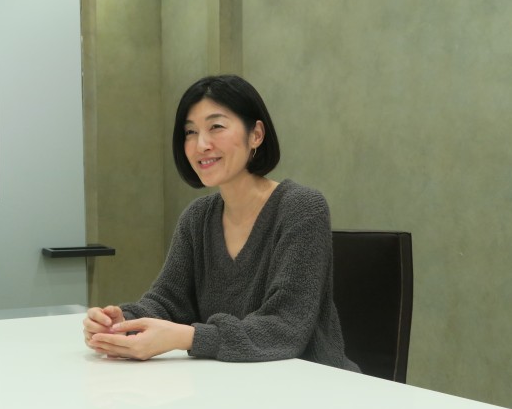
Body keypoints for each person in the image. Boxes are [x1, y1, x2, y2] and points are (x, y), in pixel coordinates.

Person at [83, 74, 359, 371]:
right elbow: (168, 301)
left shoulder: (302, 208)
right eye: (190, 132)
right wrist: (122, 322)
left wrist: (187, 337)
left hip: (311, 383)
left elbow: (285, 327)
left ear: (256, 135)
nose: (201, 144)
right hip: (230, 382)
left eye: (216, 127)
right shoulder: (197, 218)